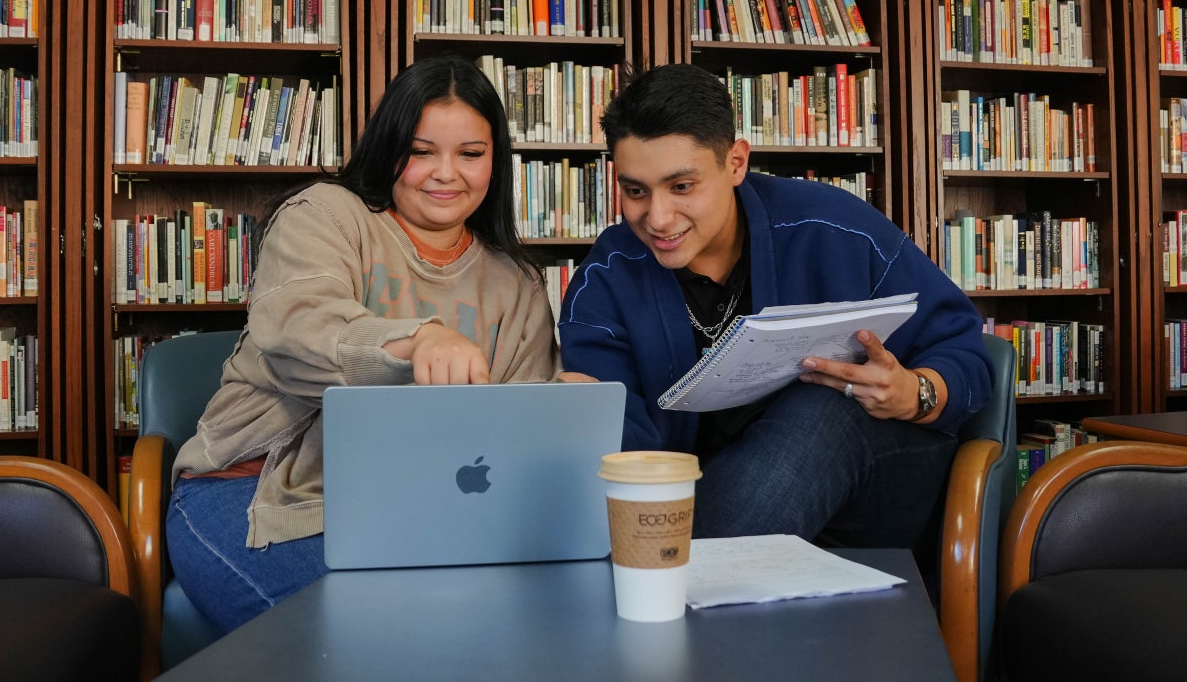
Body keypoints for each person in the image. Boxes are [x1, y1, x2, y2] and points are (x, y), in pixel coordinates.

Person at [166, 55, 559, 632]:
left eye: (470, 154)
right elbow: (297, 329)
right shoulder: (325, 213)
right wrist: (419, 341)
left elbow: (516, 439)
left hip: (419, 510)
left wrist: (558, 412)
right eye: (421, 151)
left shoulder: (518, 282)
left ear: (495, 162)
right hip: (255, 494)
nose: (445, 173)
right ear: (387, 148)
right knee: (388, 636)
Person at [558, 62, 993, 548]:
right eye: (635, 191)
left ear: (736, 162)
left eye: (682, 187)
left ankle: (694, 590)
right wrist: (587, 414)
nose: (657, 218)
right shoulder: (606, 279)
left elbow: (967, 352)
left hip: (873, 483)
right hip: (710, 501)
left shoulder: (834, 227)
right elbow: (633, 462)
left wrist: (915, 393)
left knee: (823, 408)